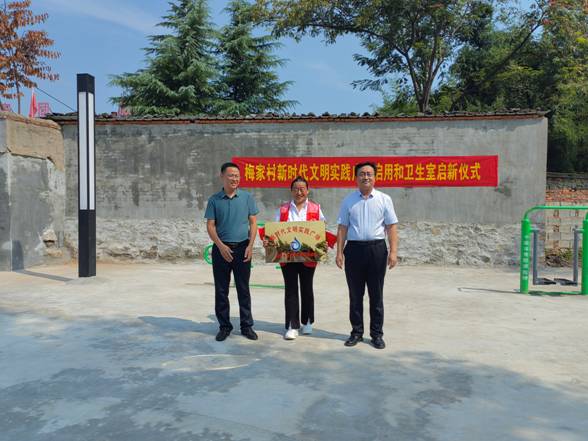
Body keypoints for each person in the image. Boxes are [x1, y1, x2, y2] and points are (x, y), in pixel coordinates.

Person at [335, 161, 398, 349]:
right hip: (354, 250)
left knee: (376, 294)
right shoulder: (348, 201)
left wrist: (393, 252)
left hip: (377, 250)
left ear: (375, 177)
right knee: (355, 294)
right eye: (362, 174)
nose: (366, 177)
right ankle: (356, 332)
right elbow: (342, 227)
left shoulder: (384, 199)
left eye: (369, 174)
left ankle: (377, 334)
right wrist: (339, 252)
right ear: (356, 178)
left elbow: (391, 226)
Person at [263, 176, 333, 340]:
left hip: (308, 256)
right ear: (291, 191)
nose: (299, 192)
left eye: (302, 189)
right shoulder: (283, 210)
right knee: (291, 289)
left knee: (307, 287)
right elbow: (274, 232)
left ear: (307, 191)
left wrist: (323, 242)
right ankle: (291, 325)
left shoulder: (316, 208)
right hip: (287, 256)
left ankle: (307, 321)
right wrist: (268, 240)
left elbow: (322, 230)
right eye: (295, 189)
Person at [205, 162, 259, 342]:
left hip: (243, 248)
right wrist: (220, 246)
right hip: (221, 250)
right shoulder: (214, 200)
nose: (234, 179)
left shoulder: (247, 197)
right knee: (221, 290)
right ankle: (224, 327)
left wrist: (250, 246)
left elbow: (253, 222)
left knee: (243, 289)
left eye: (237, 175)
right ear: (222, 177)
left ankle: (247, 326)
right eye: (231, 175)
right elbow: (210, 225)